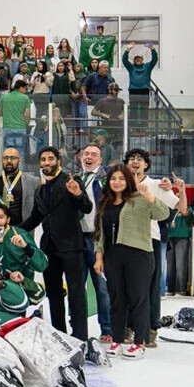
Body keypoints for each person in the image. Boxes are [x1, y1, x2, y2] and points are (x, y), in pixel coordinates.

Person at [93, 165, 169, 359]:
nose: (117, 182)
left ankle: (139, 342)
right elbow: (99, 233)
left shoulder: (140, 199)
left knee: (138, 298)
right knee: (117, 298)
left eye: (121, 178)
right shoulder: (105, 203)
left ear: (128, 180)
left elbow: (163, 214)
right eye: (113, 178)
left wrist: (150, 197)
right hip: (113, 255)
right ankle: (117, 340)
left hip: (139, 254)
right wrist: (99, 256)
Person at [20, 147, 92, 341]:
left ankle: (80, 337)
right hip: (49, 249)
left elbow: (86, 207)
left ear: (58, 161)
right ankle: (60, 335)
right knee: (53, 294)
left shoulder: (71, 181)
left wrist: (77, 194)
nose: (46, 163)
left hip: (72, 247)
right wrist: (15, 229)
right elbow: (36, 217)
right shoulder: (41, 189)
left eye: (50, 159)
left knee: (76, 294)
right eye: (43, 160)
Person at [123, 148, 183, 346]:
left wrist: (180, 190)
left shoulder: (156, 184)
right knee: (126, 286)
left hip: (150, 240)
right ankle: (128, 326)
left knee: (151, 285)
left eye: (139, 159)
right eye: (132, 159)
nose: (135, 162)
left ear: (146, 165)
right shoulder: (119, 182)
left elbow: (181, 208)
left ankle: (150, 328)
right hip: (124, 240)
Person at [76, 144, 112, 341]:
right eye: (86, 153)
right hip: (78, 240)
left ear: (100, 159)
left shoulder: (106, 179)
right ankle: (77, 327)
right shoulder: (76, 178)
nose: (89, 157)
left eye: (94, 154)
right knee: (77, 285)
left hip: (98, 239)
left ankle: (107, 329)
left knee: (102, 287)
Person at [167, 186, 194, 296]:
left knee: (180, 265)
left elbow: (192, 220)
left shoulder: (187, 209)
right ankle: (171, 288)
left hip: (182, 238)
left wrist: (187, 213)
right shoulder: (170, 209)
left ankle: (181, 289)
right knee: (170, 266)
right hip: (170, 237)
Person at [122, 42, 158, 125]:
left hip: (144, 90)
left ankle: (144, 128)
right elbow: (124, 60)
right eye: (136, 58)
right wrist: (128, 49)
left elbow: (155, 59)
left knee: (144, 110)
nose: (138, 60)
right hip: (133, 91)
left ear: (142, 60)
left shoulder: (147, 67)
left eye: (139, 58)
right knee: (133, 110)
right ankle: (133, 128)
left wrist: (152, 48)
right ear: (134, 60)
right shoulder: (131, 67)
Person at [0, 80, 32, 164]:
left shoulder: (4, 97)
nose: (25, 91)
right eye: (25, 89)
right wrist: (26, 124)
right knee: (20, 152)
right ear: (21, 87)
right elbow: (27, 114)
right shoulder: (25, 98)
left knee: (7, 152)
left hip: (7, 128)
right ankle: (19, 173)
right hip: (20, 128)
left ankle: (7, 170)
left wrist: (7, 113)